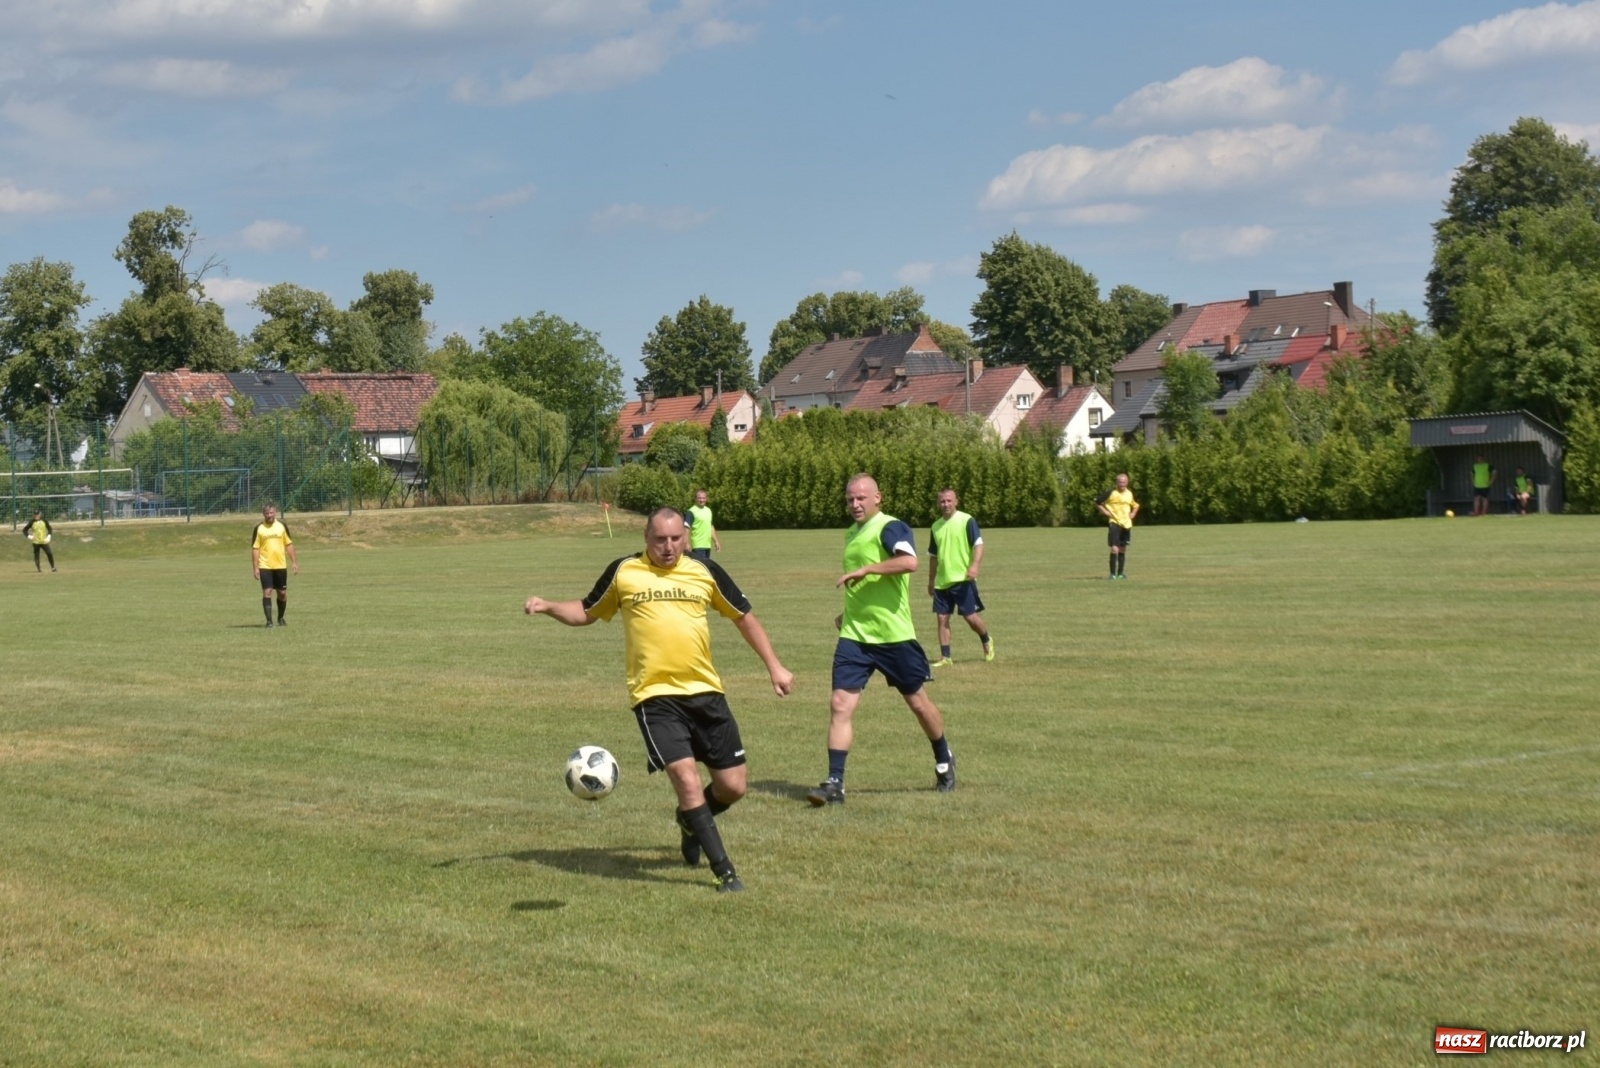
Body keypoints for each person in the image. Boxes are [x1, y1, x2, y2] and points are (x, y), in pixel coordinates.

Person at [524, 508, 793, 893]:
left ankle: (690, 820)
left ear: (686, 536)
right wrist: (549, 606)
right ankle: (725, 872)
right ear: (645, 538)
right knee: (685, 777)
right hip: (654, 696)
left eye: (675, 540)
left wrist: (775, 666)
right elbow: (586, 610)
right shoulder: (624, 571)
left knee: (733, 786)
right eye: (659, 540)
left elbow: (743, 616)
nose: (668, 548)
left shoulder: (704, 571)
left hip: (706, 691)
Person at [808, 473, 955, 806]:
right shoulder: (851, 533)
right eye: (850, 499)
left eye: (861, 498)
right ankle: (835, 783)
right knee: (839, 705)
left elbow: (910, 562)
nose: (855, 504)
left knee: (918, 703)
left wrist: (867, 569)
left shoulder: (892, 527)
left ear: (878, 498)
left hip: (894, 637)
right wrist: (849, 614)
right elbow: (862, 589)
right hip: (855, 637)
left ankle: (944, 756)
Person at [927, 488, 992, 667]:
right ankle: (946, 657)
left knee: (970, 618)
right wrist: (931, 580)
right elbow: (933, 556)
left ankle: (986, 639)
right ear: (938, 503)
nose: (946, 504)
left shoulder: (966, 520)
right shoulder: (935, 526)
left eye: (949, 500)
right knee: (942, 618)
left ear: (957, 501)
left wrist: (975, 566)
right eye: (942, 501)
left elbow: (978, 545)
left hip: (963, 579)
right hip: (942, 581)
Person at [251, 503, 299, 628]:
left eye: (271, 513)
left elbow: (289, 544)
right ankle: (269, 621)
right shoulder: (259, 528)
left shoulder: (282, 526)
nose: (269, 515)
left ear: (275, 512)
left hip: (280, 565)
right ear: (263, 514)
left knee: (282, 593)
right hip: (265, 566)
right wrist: (255, 567)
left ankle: (281, 617)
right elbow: (255, 548)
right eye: (266, 513)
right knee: (267, 592)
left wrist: (294, 562)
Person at [1096, 473, 1139, 580]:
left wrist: (1133, 513)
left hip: (1126, 524)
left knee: (1123, 549)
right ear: (1116, 483)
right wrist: (1105, 512)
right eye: (1120, 482)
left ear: (1127, 483)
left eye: (1124, 482)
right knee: (1114, 548)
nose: (1122, 484)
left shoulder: (1129, 494)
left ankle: (1120, 574)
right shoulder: (1111, 493)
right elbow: (1097, 502)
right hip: (1114, 522)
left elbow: (1136, 505)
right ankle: (1112, 574)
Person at [686, 489, 721, 563]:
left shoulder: (708, 510)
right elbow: (686, 527)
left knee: (706, 567)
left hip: (707, 545)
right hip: (698, 545)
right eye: (699, 498)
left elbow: (711, 526)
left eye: (703, 498)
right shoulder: (691, 511)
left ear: (706, 499)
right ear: (695, 499)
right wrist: (686, 542)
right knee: (701, 567)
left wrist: (716, 541)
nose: (702, 500)